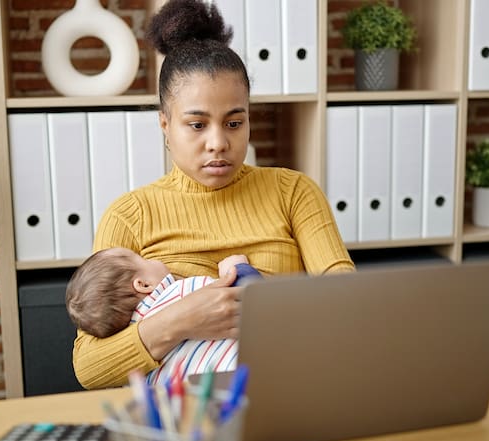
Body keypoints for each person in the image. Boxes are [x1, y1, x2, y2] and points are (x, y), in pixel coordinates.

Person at [73, 0, 355, 389]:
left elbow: (350, 302)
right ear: (165, 124)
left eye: (234, 122)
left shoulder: (294, 192)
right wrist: (183, 319)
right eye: (197, 124)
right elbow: (90, 368)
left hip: (290, 389)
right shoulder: (129, 216)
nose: (218, 143)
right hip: (183, 418)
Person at [66, 248, 258, 384]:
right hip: (247, 375)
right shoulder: (180, 292)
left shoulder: (139, 372)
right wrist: (238, 269)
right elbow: (250, 300)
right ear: (143, 284)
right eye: (143, 258)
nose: (154, 260)